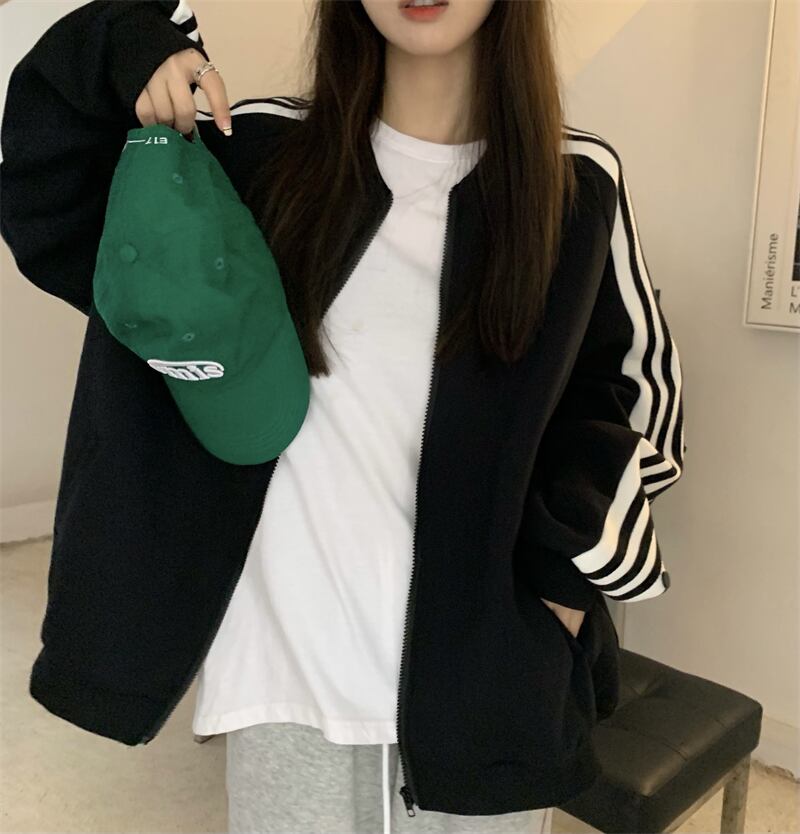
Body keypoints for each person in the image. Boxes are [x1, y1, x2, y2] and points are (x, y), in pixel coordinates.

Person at [0, 1, 686, 833]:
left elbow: (633, 395)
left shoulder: (575, 183)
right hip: (289, 681)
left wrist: (562, 587)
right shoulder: (253, 150)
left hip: (485, 685)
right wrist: (128, 42)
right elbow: (59, 212)